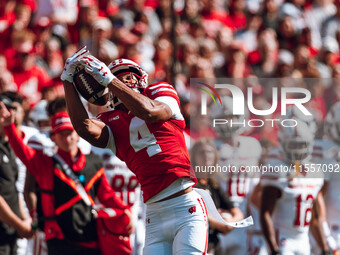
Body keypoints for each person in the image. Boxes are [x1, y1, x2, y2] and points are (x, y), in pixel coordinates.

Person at [61, 46, 208, 254]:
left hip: (185, 207)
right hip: (154, 215)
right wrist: (67, 81)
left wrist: (111, 80)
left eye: (127, 76)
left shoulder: (160, 93)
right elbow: (83, 127)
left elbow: (150, 112)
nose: (123, 81)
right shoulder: (111, 121)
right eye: (117, 78)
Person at [0, 105, 132, 255]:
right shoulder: (45, 163)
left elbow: (107, 196)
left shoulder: (93, 163)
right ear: (53, 138)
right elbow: (22, 151)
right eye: (61, 134)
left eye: (69, 133)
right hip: (58, 239)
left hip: (89, 236)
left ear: (77, 135)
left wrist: (125, 212)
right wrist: (9, 127)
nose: (66, 138)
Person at [260, 120, 329, 255]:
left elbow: (314, 217)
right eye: (294, 144)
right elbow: (265, 213)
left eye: (302, 144)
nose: (298, 149)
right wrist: (273, 248)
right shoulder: (276, 169)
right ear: (283, 144)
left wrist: (324, 248)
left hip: (303, 240)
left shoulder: (314, 172)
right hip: (283, 239)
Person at [190, 138, 244, 254]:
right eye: (201, 152)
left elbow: (238, 213)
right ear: (194, 157)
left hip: (213, 243)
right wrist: (222, 225)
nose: (206, 156)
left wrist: (229, 223)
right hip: (195, 243)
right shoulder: (190, 183)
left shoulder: (213, 184)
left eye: (209, 152)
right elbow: (201, 213)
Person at [0, 94, 32, 255]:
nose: (5, 113)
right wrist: (20, 224)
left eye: (10, 109)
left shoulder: (7, 145)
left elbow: (13, 187)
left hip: (11, 231)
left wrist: (24, 219)